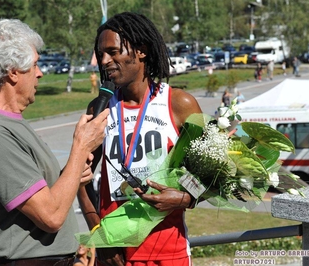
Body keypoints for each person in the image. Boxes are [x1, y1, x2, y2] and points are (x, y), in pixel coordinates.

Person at [0, 18, 109, 266]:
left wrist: (70, 176)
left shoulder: (5, 123)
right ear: (13, 71)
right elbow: (50, 216)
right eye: (35, 64)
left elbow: (41, 199)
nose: (40, 73)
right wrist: (80, 147)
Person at [77, 12, 202, 266]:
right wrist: (98, 235)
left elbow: (210, 173)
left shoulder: (180, 104)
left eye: (112, 51)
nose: (104, 61)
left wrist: (187, 198)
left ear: (142, 51)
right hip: (114, 253)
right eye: (101, 54)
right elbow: (78, 178)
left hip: (167, 250)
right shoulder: (99, 108)